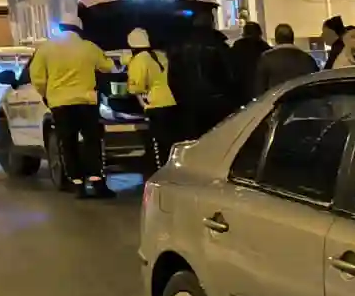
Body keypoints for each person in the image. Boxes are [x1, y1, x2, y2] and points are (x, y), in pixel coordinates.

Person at [28, 22, 113, 199]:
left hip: (60, 103)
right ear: (77, 31)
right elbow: (107, 66)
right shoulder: (88, 47)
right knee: (92, 142)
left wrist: (47, 95)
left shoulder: (45, 49)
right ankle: (97, 182)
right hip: (86, 102)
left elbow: (37, 77)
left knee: (68, 143)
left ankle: (77, 184)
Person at [170, 13, 235, 137]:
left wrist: (180, 97)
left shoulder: (181, 45)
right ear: (211, 23)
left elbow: (173, 76)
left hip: (190, 100)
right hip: (216, 98)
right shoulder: (218, 43)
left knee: (194, 137)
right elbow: (230, 72)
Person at [126, 28, 179, 170]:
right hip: (171, 102)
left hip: (155, 104)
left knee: (157, 144)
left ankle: (160, 173)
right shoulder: (159, 55)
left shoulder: (139, 60)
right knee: (169, 142)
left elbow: (137, 86)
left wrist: (139, 99)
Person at [255, 23, 319, 95]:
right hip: (302, 102)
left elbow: (260, 89)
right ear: (292, 38)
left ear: (276, 39)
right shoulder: (307, 59)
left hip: (275, 103)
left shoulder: (266, 58)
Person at [227, 22, 267, 107]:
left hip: (241, 91)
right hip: (263, 92)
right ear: (259, 34)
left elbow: (231, 69)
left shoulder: (237, 47)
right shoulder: (265, 48)